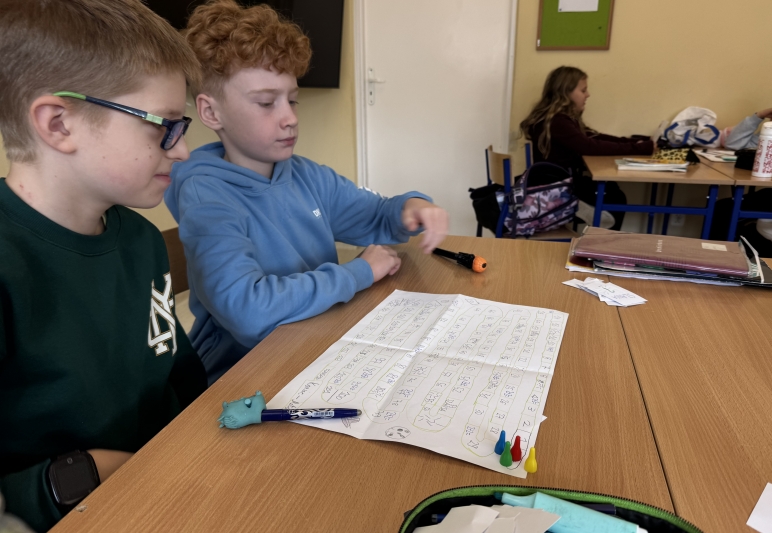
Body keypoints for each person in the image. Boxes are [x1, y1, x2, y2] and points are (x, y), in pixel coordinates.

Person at [0, 1, 207, 530]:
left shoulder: (142, 240)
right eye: (164, 126)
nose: (182, 151)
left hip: (173, 489)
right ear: (59, 124)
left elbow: (178, 376)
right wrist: (76, 477)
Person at [165, 0, 449, 385]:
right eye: (267, 103)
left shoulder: (306, 175)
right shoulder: (206, 197)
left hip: (318, 344)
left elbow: (376, 214)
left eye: (292, 99)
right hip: (245, 373)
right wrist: (359, 272)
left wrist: (410, 208)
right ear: (212, 113)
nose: (290, 118)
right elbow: (248, 311)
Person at [520, 66, 654, 230]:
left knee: (612, 191)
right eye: (583, 90)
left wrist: (634, 142)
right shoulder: (558, 122)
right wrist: (637, 148)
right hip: (556, 188)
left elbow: (592, 137)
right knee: (615, 198)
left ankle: (592, 223)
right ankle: (579, 212)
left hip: (559, 182)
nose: (588, 95)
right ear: (566, 92)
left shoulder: (560, 119)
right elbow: (589, 146)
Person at [710, 81, 772, 257]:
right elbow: (734, 144)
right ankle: (718, 260)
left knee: (733, 215)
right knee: (723, 208)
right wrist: (758, 116)